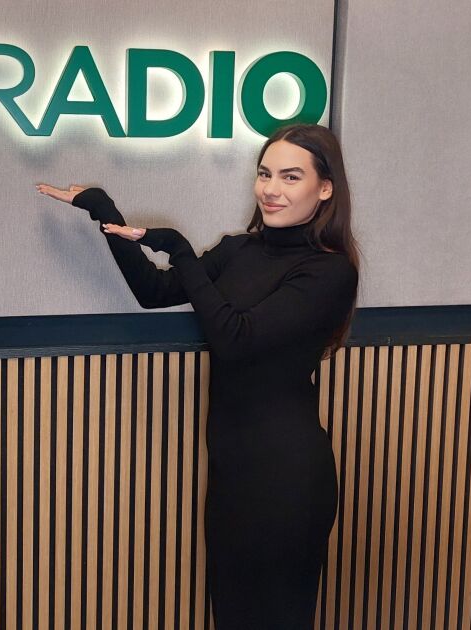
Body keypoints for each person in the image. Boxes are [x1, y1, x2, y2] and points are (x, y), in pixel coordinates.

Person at [36, 123, 361, 628]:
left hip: (288, 479)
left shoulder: (329, 271)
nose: (271, 189)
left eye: (291, 177)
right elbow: (155, 291)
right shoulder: (239, 250)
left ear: (325, 189)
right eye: (265, 174)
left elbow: (236, 339)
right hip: (232, 475)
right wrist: (104, 211)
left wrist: (182, 251)